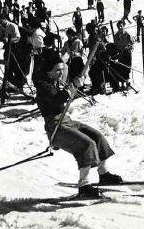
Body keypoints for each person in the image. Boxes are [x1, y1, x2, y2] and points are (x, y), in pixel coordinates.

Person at [34, 50, 122, 198]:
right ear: (48, 72)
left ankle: (104, 174)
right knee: (86, 144)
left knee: (97, 136)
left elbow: (66, 94)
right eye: (57, 71)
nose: (61, 74)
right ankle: (84, 185)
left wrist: (74, 84)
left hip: (66, 120)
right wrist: (72, 87)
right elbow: (57, 99)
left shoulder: (55, 82)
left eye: (62, 70)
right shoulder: (43, 85)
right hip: (55, 126)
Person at [0, 13, 23, 90]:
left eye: (1, 21)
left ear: (5, 19)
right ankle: (10, 85)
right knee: (8, 67)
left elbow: (18, 37)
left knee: (16, 67)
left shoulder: (12, 26)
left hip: (15, 48)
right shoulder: (0, 28)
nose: (0, 22)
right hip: (7, 48)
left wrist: (9, 40)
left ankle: (19, 85)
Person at [113, 20, 133, 89]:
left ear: (123, 26)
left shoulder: (127, 35)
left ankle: (127, 84)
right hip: (120, 54)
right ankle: (122, 84)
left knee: (126, 68)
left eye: (121, 26)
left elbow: (131, 45)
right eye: (118, 26)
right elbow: (115, 45)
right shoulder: (116, 35)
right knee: (120, 68)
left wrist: (128, 48)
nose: (120, 28)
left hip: (126, 54)